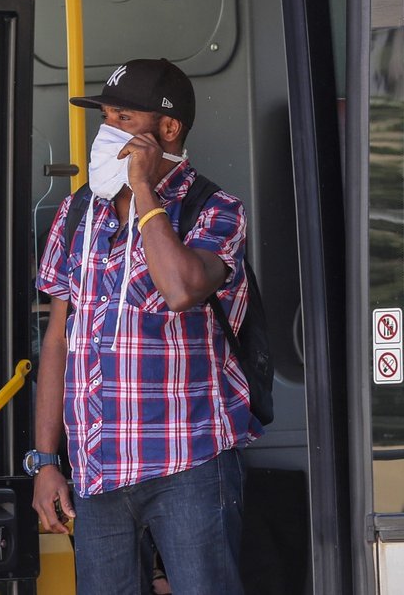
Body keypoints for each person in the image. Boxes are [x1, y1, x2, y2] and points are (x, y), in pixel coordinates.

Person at [30, 58, 263, 594]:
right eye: (105, 118)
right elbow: (59, 340)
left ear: (168, 129)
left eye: (124, 118)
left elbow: (182, 289)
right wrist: (45, 461)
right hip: (96, 473)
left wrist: (142, 191)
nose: (108, 132)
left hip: (190, 465)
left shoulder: (215, 210)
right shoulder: (76, 214)